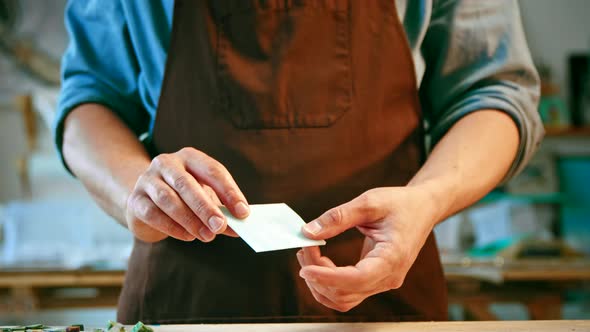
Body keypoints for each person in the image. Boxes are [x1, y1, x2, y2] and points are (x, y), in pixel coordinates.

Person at [56, 0, 543, 324]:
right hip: (188, 304)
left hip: (382, 304)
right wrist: (135, 193)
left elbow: (493, 90)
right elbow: (89, 97)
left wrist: (427, 199)